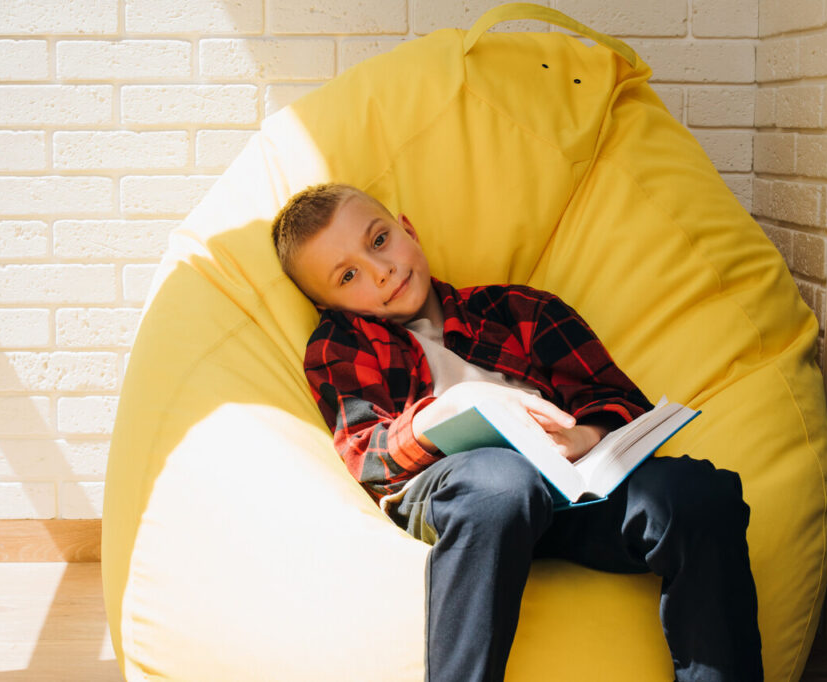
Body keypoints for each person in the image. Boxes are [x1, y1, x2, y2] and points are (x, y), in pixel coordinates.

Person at [271, 183, 763, 682]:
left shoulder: (519, 310)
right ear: (329, 304)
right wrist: (450, 409)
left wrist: (582, 437)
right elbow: (368, 454)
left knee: (699, 492)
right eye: (348, 275)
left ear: (408, 230)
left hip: (573, 491)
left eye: (379, 241)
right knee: (502, 480)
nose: (382, 271)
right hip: (468, 502)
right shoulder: (340, 345)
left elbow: (615, 399)